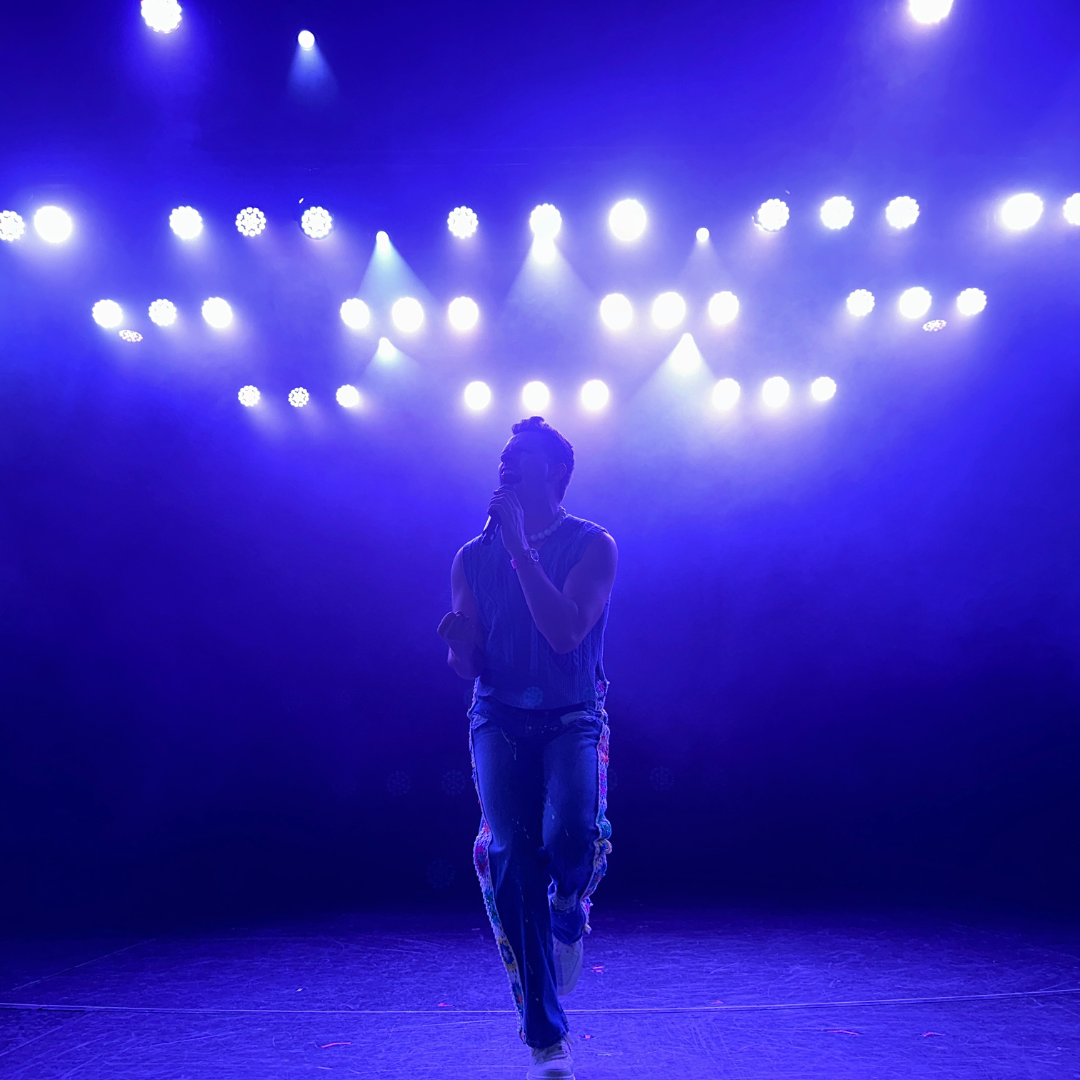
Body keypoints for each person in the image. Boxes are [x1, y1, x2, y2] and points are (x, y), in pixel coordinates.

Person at [438, 416, 618, 1080]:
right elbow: (469, 663)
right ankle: (546, 1040)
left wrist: (520, 550)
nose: (505, 466)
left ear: (556, 472)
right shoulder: (471, 555)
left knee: (570, 836)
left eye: (520, 458)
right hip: (499, 718)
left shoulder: (593, 544)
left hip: (572, 716)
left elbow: (566, 634)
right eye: (502, 458)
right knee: (512, 856)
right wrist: (460, 648)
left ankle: (569, 908)